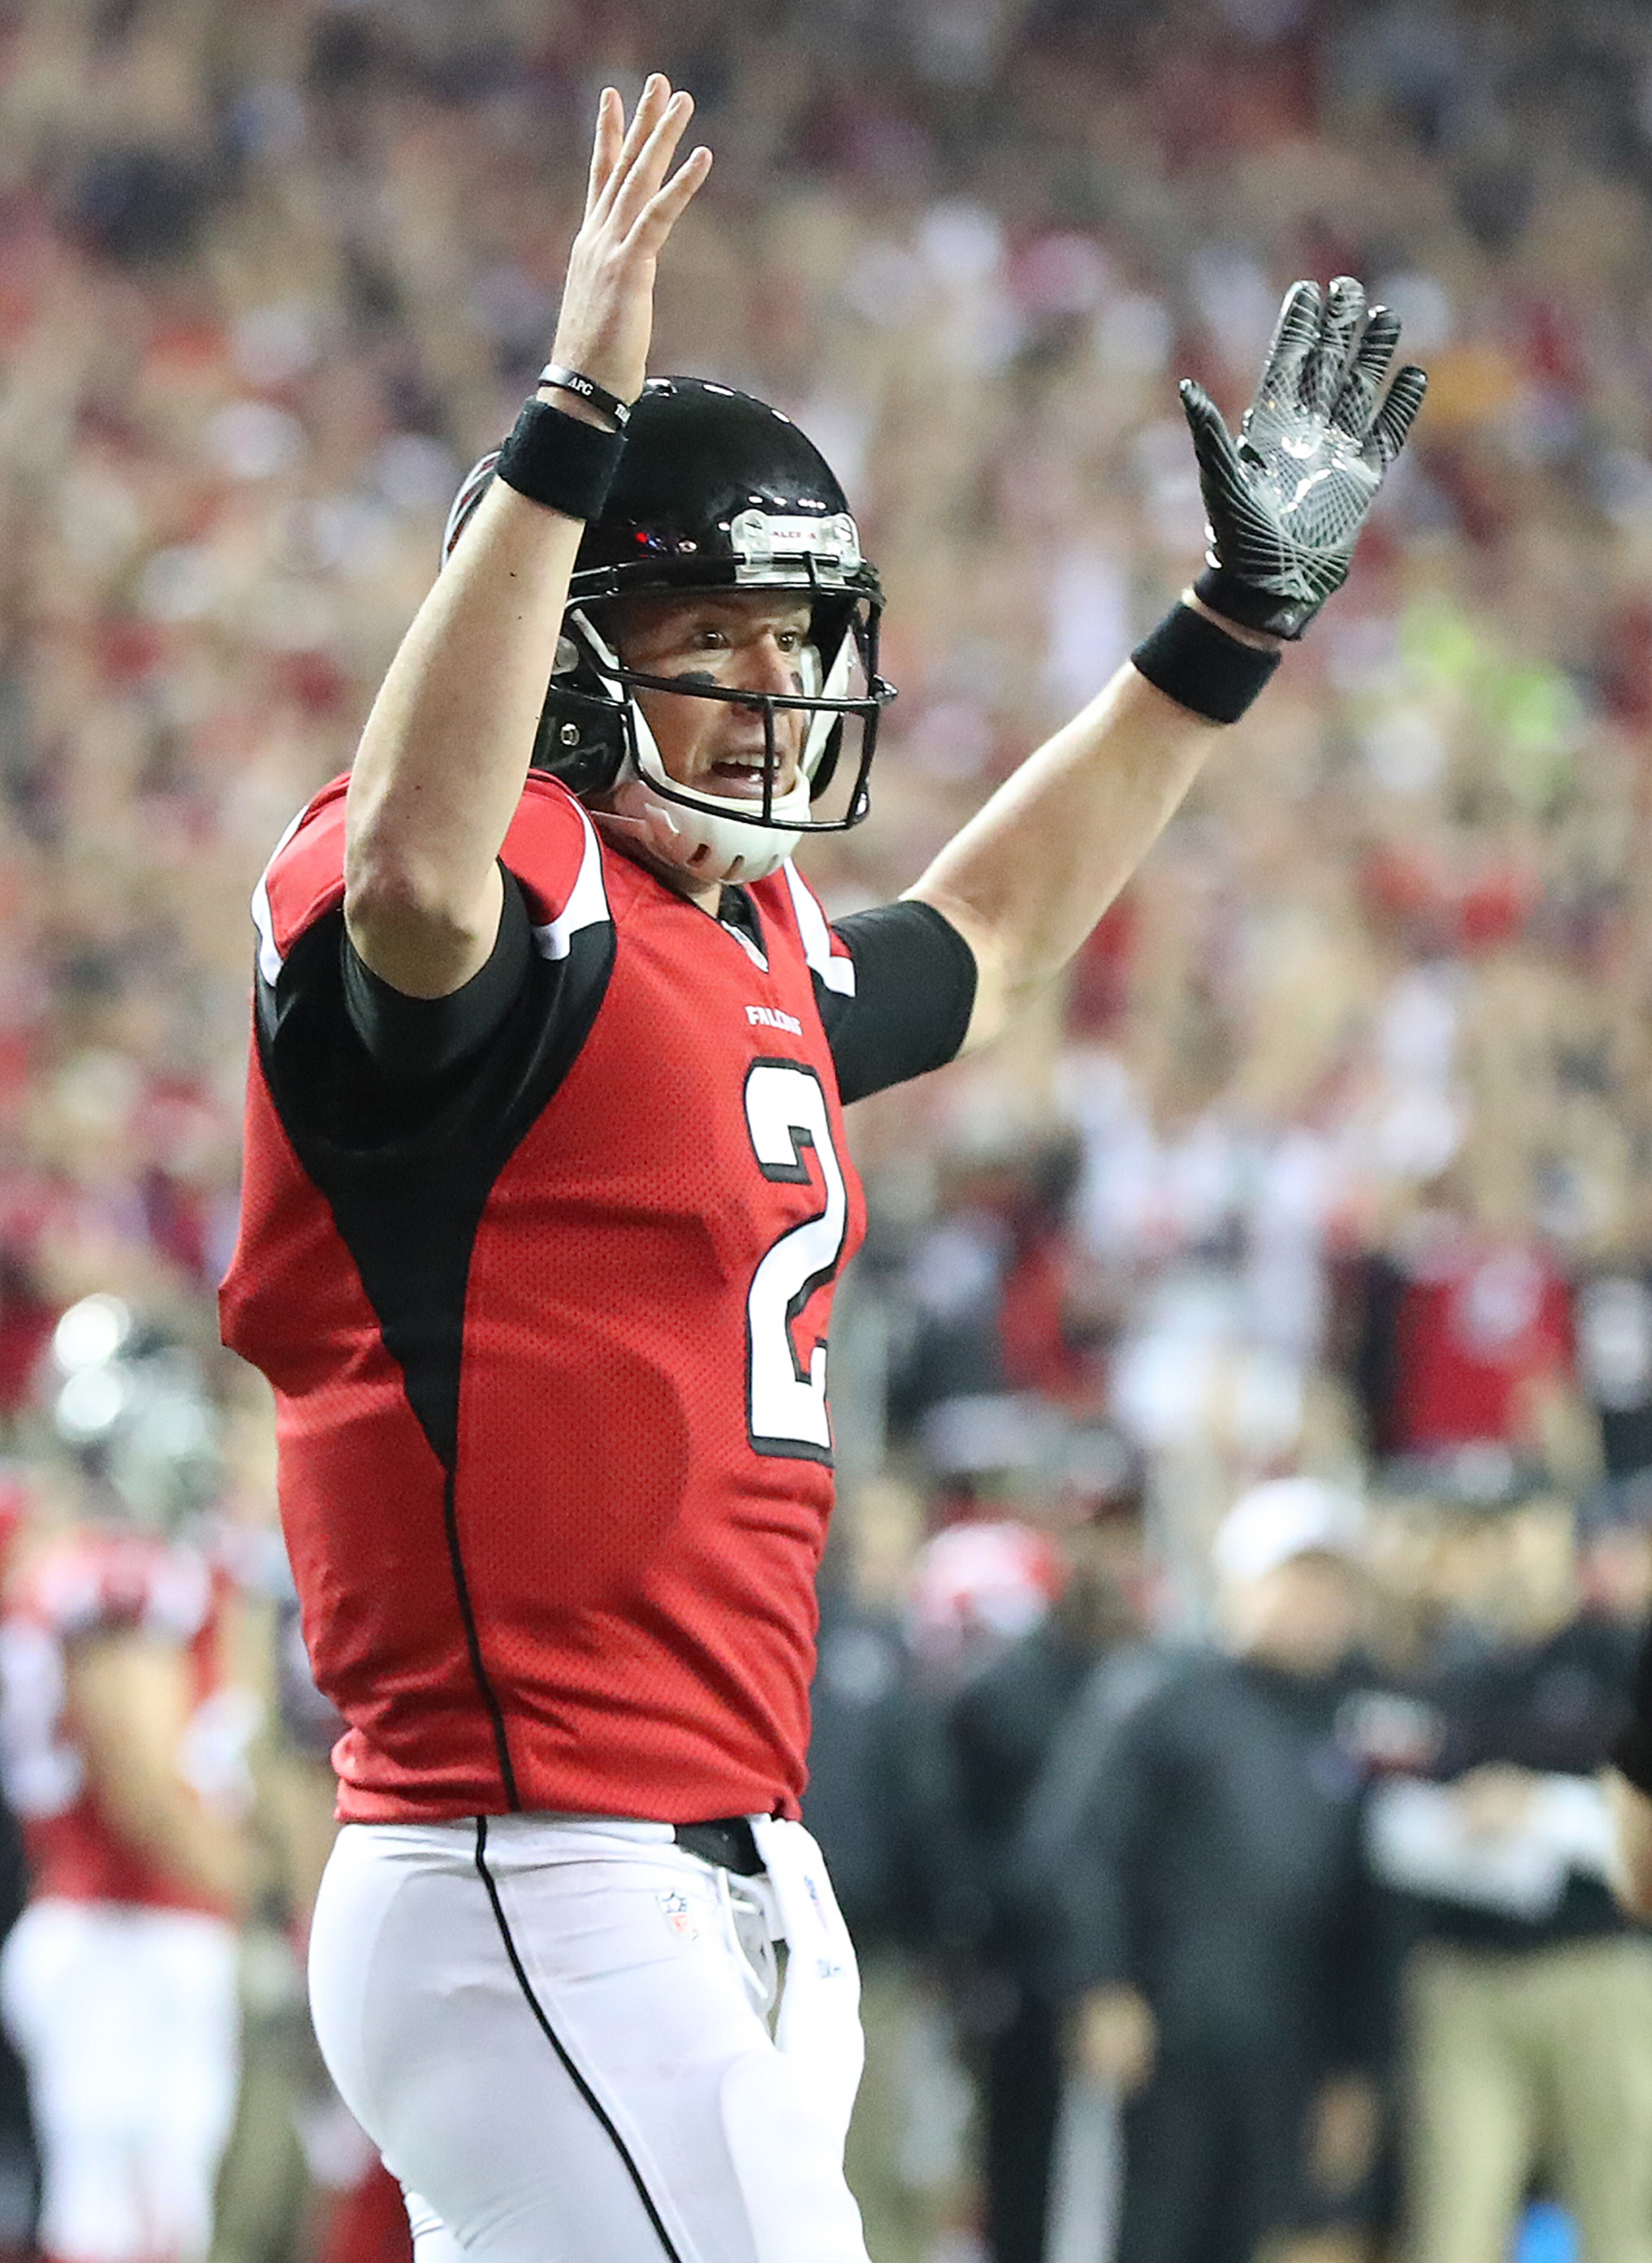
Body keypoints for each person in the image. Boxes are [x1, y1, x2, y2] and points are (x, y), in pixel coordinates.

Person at [216, 74, 1426, 2263]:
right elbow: (409, 873)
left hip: (726, 1863)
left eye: (798, 638)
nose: (780, 688)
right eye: (716, 638)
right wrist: (567, 420)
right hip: (538, 1856)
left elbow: (991, 939)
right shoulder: (493, 905)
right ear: (567, 657)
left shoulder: (742, 938)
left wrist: (1226, 633)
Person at [1023, 1479, 1393, 2263]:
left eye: (1333, 1586)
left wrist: (1354, 2066)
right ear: (1240, 1581)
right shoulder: (1158, 1693)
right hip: (1161, 2040)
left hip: (1285, 2048)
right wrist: (1099, 1984)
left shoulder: (1353, 1719)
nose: (1317, 1606)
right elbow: (1074, 1847)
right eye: (1297, 1580)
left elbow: (1363, 1909)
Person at [0, 1301, 251, 2263]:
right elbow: (142, 1782)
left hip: (110, 1926)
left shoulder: (70, 1559)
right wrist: (256, 1898)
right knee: (131, 2233)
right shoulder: (118, 1578)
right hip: (126, 1929)